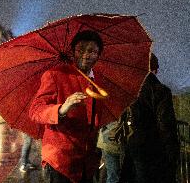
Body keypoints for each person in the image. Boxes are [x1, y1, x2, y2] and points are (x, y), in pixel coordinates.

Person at [29, 30, 104, 183]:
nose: (85, 55)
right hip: (60, 161)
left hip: (86, 163)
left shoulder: (97, 83)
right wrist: (62, 108)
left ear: (98, 55)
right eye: (80, 49)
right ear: (73, 51)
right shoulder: (55, 75)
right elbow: (35, 110)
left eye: (92, 51)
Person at [119, 53, 180, 183]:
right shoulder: (161, 90)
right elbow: (165, 124)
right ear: (155, 70)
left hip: (133, 145)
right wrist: (172, 152)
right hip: (154, 149)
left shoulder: (131, 90)